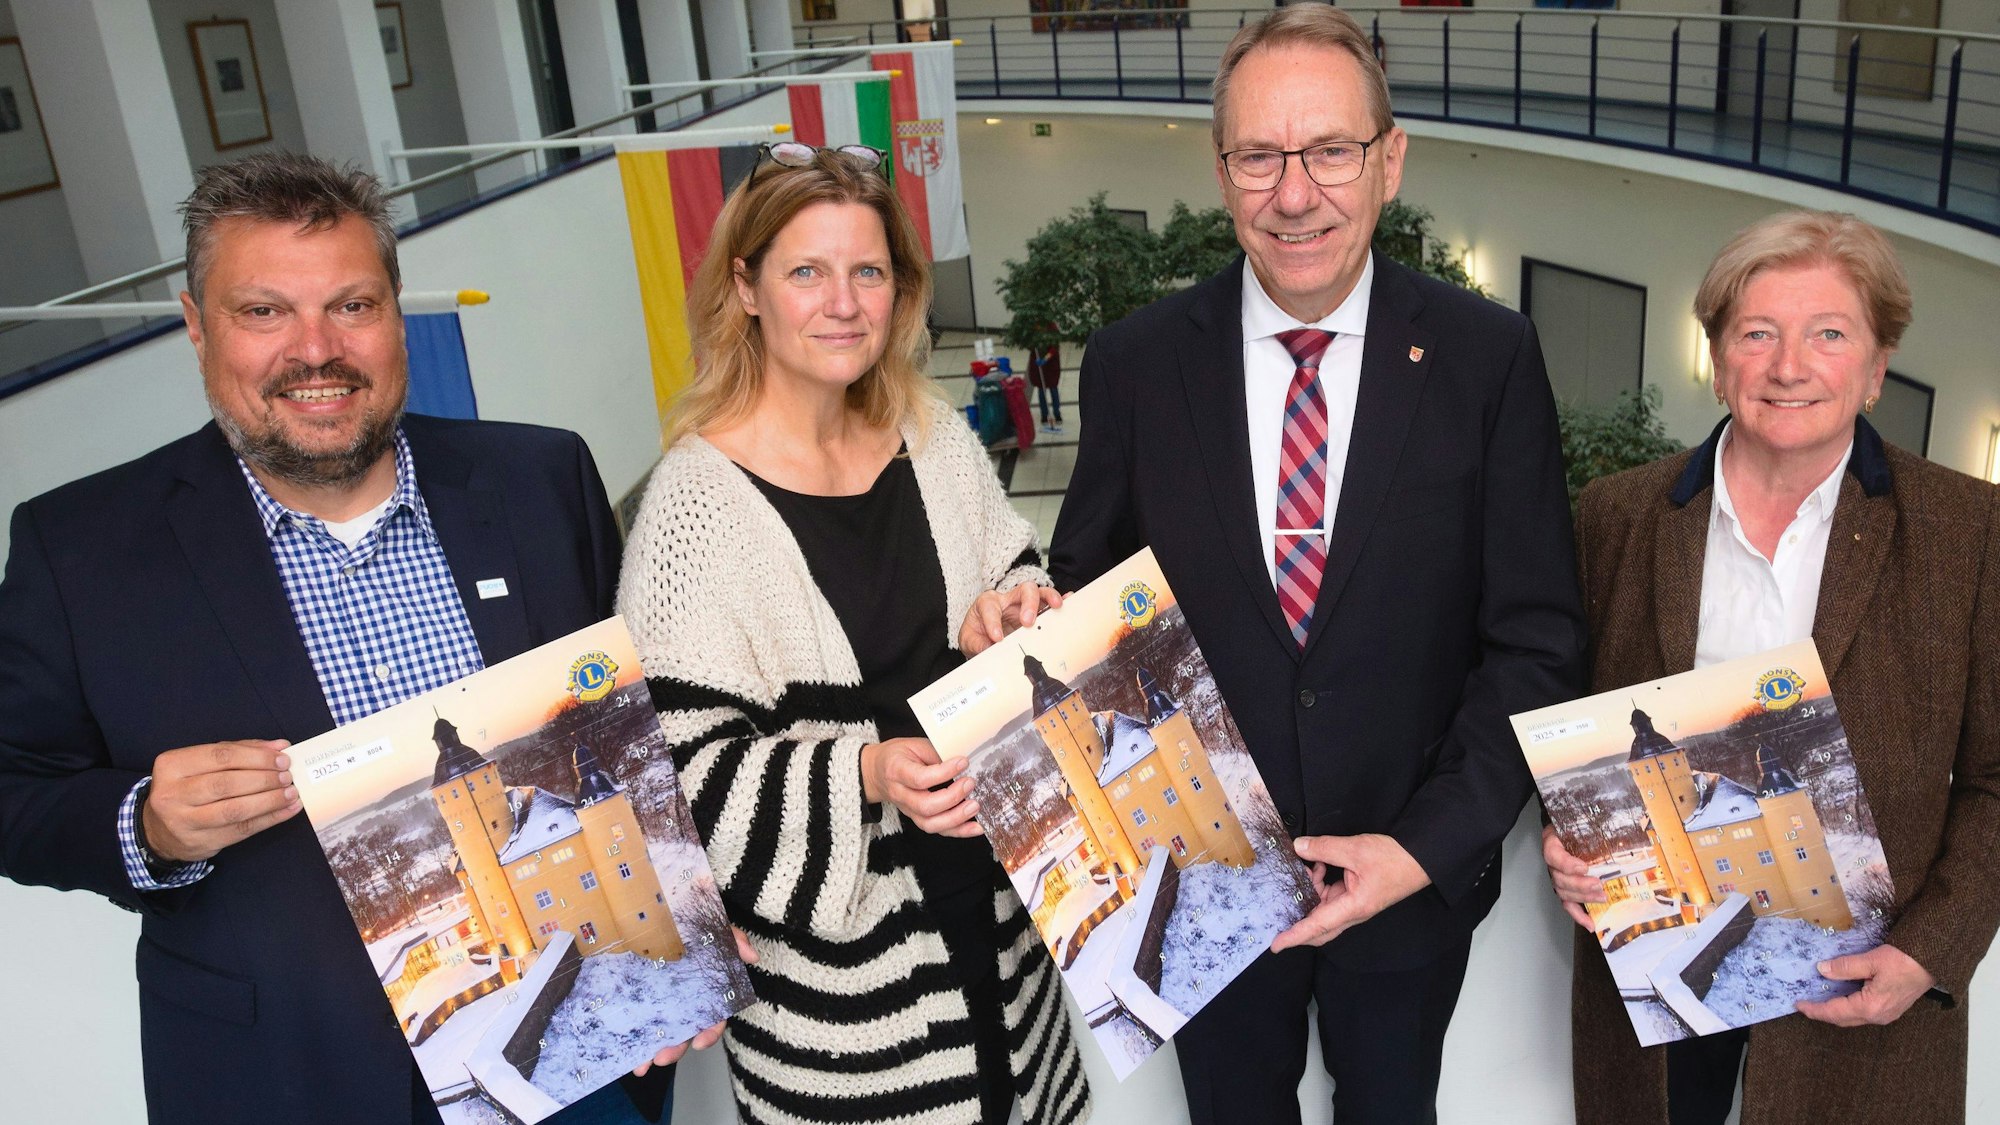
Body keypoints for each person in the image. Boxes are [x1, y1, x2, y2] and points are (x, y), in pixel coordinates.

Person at [0, 152, 720, 1125]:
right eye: (263, 311)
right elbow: (14, 786)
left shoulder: (540, 478)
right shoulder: (79, 548)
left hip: (579, 1065)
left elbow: (634, 730)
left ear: (394, 313)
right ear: (195, 324)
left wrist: (691, 912)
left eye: (351, 305)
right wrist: (144, 825)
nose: (316, 350)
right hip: (285, 1076)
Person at [1047, 7, 1587, 1123]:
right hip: (1199, 893)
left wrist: (1422, 848)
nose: (1294, 195)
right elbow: (1092, 621)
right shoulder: (1138, 366)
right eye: (1259, 156)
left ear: (1389, 160)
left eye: (1329, 150)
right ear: (1221, 169)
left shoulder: (1488, 358)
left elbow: (1536, 641)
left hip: (1406, 890)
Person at [616, 141, 1090, 1125]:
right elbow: (680, 783)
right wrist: (865, 776)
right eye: (806, 272)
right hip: (843, 1002)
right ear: (744, 286)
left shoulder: (934, 436)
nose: (842, 302)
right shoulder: (691, 507)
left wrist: (1015, 610)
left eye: (867, 271)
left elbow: (1014, 569)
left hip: (1002, 925)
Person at [1543, 210, 2000, 1125]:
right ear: (1717, 358)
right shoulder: (1616, 516)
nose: (1789, 365)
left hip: (1861, 995)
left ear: (1876, 369)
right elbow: (1568, 720)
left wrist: (1928, 951)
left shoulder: (1970, 532)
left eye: (1829, 334)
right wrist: (1567, 837)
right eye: (1758, 333)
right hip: (1662, 987)